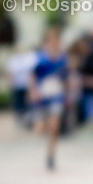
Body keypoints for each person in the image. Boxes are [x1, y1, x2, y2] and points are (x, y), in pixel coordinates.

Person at [31, 27, 69, 170]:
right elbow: (33, 75)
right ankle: (41, 127)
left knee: (55, 126)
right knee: (41, 128)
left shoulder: (63, 58)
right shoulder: (41, 57)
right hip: (43, 95)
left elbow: (65, 76)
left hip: (56, 95)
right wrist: (34, 91)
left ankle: (51, 154)